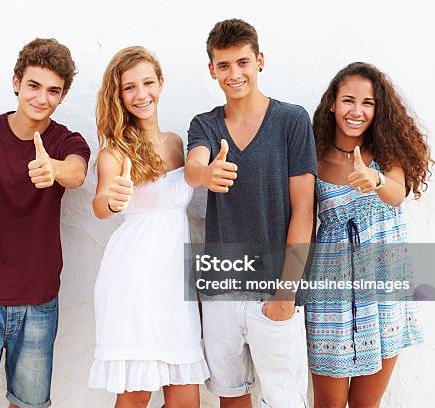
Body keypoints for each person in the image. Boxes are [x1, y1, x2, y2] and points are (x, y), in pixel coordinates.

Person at [0, 38, 90, 408]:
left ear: (63, 95)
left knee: (30, 405)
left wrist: (53, 168)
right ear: (16, 82)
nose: (42, 98)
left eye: (53, 91)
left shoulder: (66, 142)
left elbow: (76, 172)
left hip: (40, 303)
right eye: (34, 86)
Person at [185, 19, 316, 407]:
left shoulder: (292, 120)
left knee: (284, 400)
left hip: (276, 289)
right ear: (212, 70)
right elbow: (194, 167)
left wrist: (286, 292)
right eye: (224, 66)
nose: (234, 73)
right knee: (232, 396)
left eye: (242, 62)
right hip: (222, 289)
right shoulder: (205, 124)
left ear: (259, 60)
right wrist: (206, 173)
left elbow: (304, 211)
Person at [88, 46, 209, 407]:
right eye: (129, 88)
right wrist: (113, 198)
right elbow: (100, 205)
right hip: (134, 280)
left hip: (175, 280)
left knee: (186, 397)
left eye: (147, 83)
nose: (141, 95)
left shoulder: (176, 142)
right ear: (119, 95)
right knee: (137, 393)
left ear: (161, 83)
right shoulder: (114, 153)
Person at [306, 62, 429, 408]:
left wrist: (374, 180)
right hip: (330, 295)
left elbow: (397, 192)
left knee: (365, 404)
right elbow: (303, 221)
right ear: (332, 103)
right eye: (348, 100)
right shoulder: (313, 156)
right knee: (328, 404)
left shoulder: (387, 152)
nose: (356, 111)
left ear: (379, 109)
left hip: (385, 287)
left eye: (368, 103)